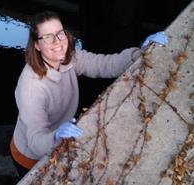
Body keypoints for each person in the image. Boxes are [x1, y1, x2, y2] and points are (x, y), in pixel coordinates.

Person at [10, 10, 167, 179]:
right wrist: (56, 136)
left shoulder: (68, 57)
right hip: (30, 157)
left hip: (61, 138)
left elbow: (104, 64)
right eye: (47, 37)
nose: (58, 42)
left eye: (60, 33)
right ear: (36, 45)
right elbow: (36, 141)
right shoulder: (31, 87)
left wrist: (139, 53)